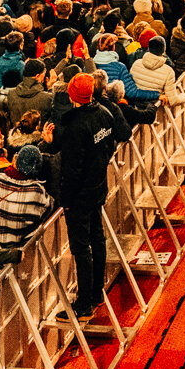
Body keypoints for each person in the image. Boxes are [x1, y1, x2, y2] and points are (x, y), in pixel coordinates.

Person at [55, 73, 127, 318]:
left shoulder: (76, 126)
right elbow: (108, 148)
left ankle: (84, 303)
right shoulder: (105, 114)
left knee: (81, 248)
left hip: (79, 196)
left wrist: (66, 199)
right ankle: (97, 292)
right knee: (97, 239)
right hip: (97, 186)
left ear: (72, 96)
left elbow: (72, 168)